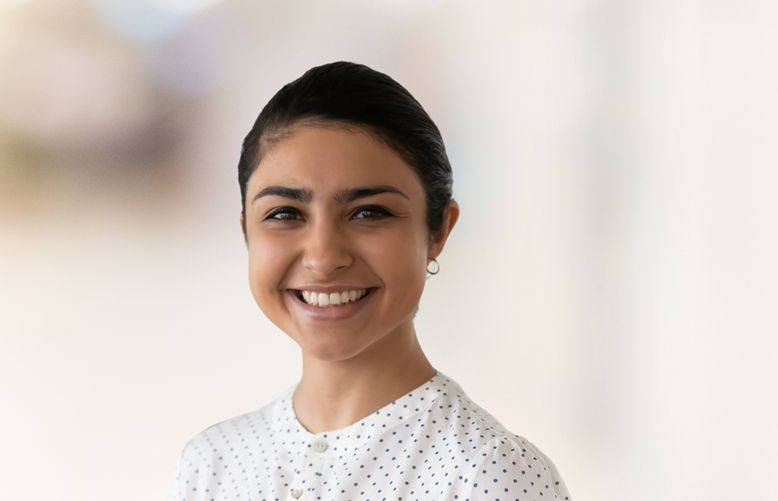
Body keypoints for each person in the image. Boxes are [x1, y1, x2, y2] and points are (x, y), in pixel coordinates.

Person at [167, 62, 570, 501]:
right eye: (285, 214)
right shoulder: (213, 465)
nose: (323, 259)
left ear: (437, 231)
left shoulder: (489, 474)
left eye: (369, 212)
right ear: (247, 230)